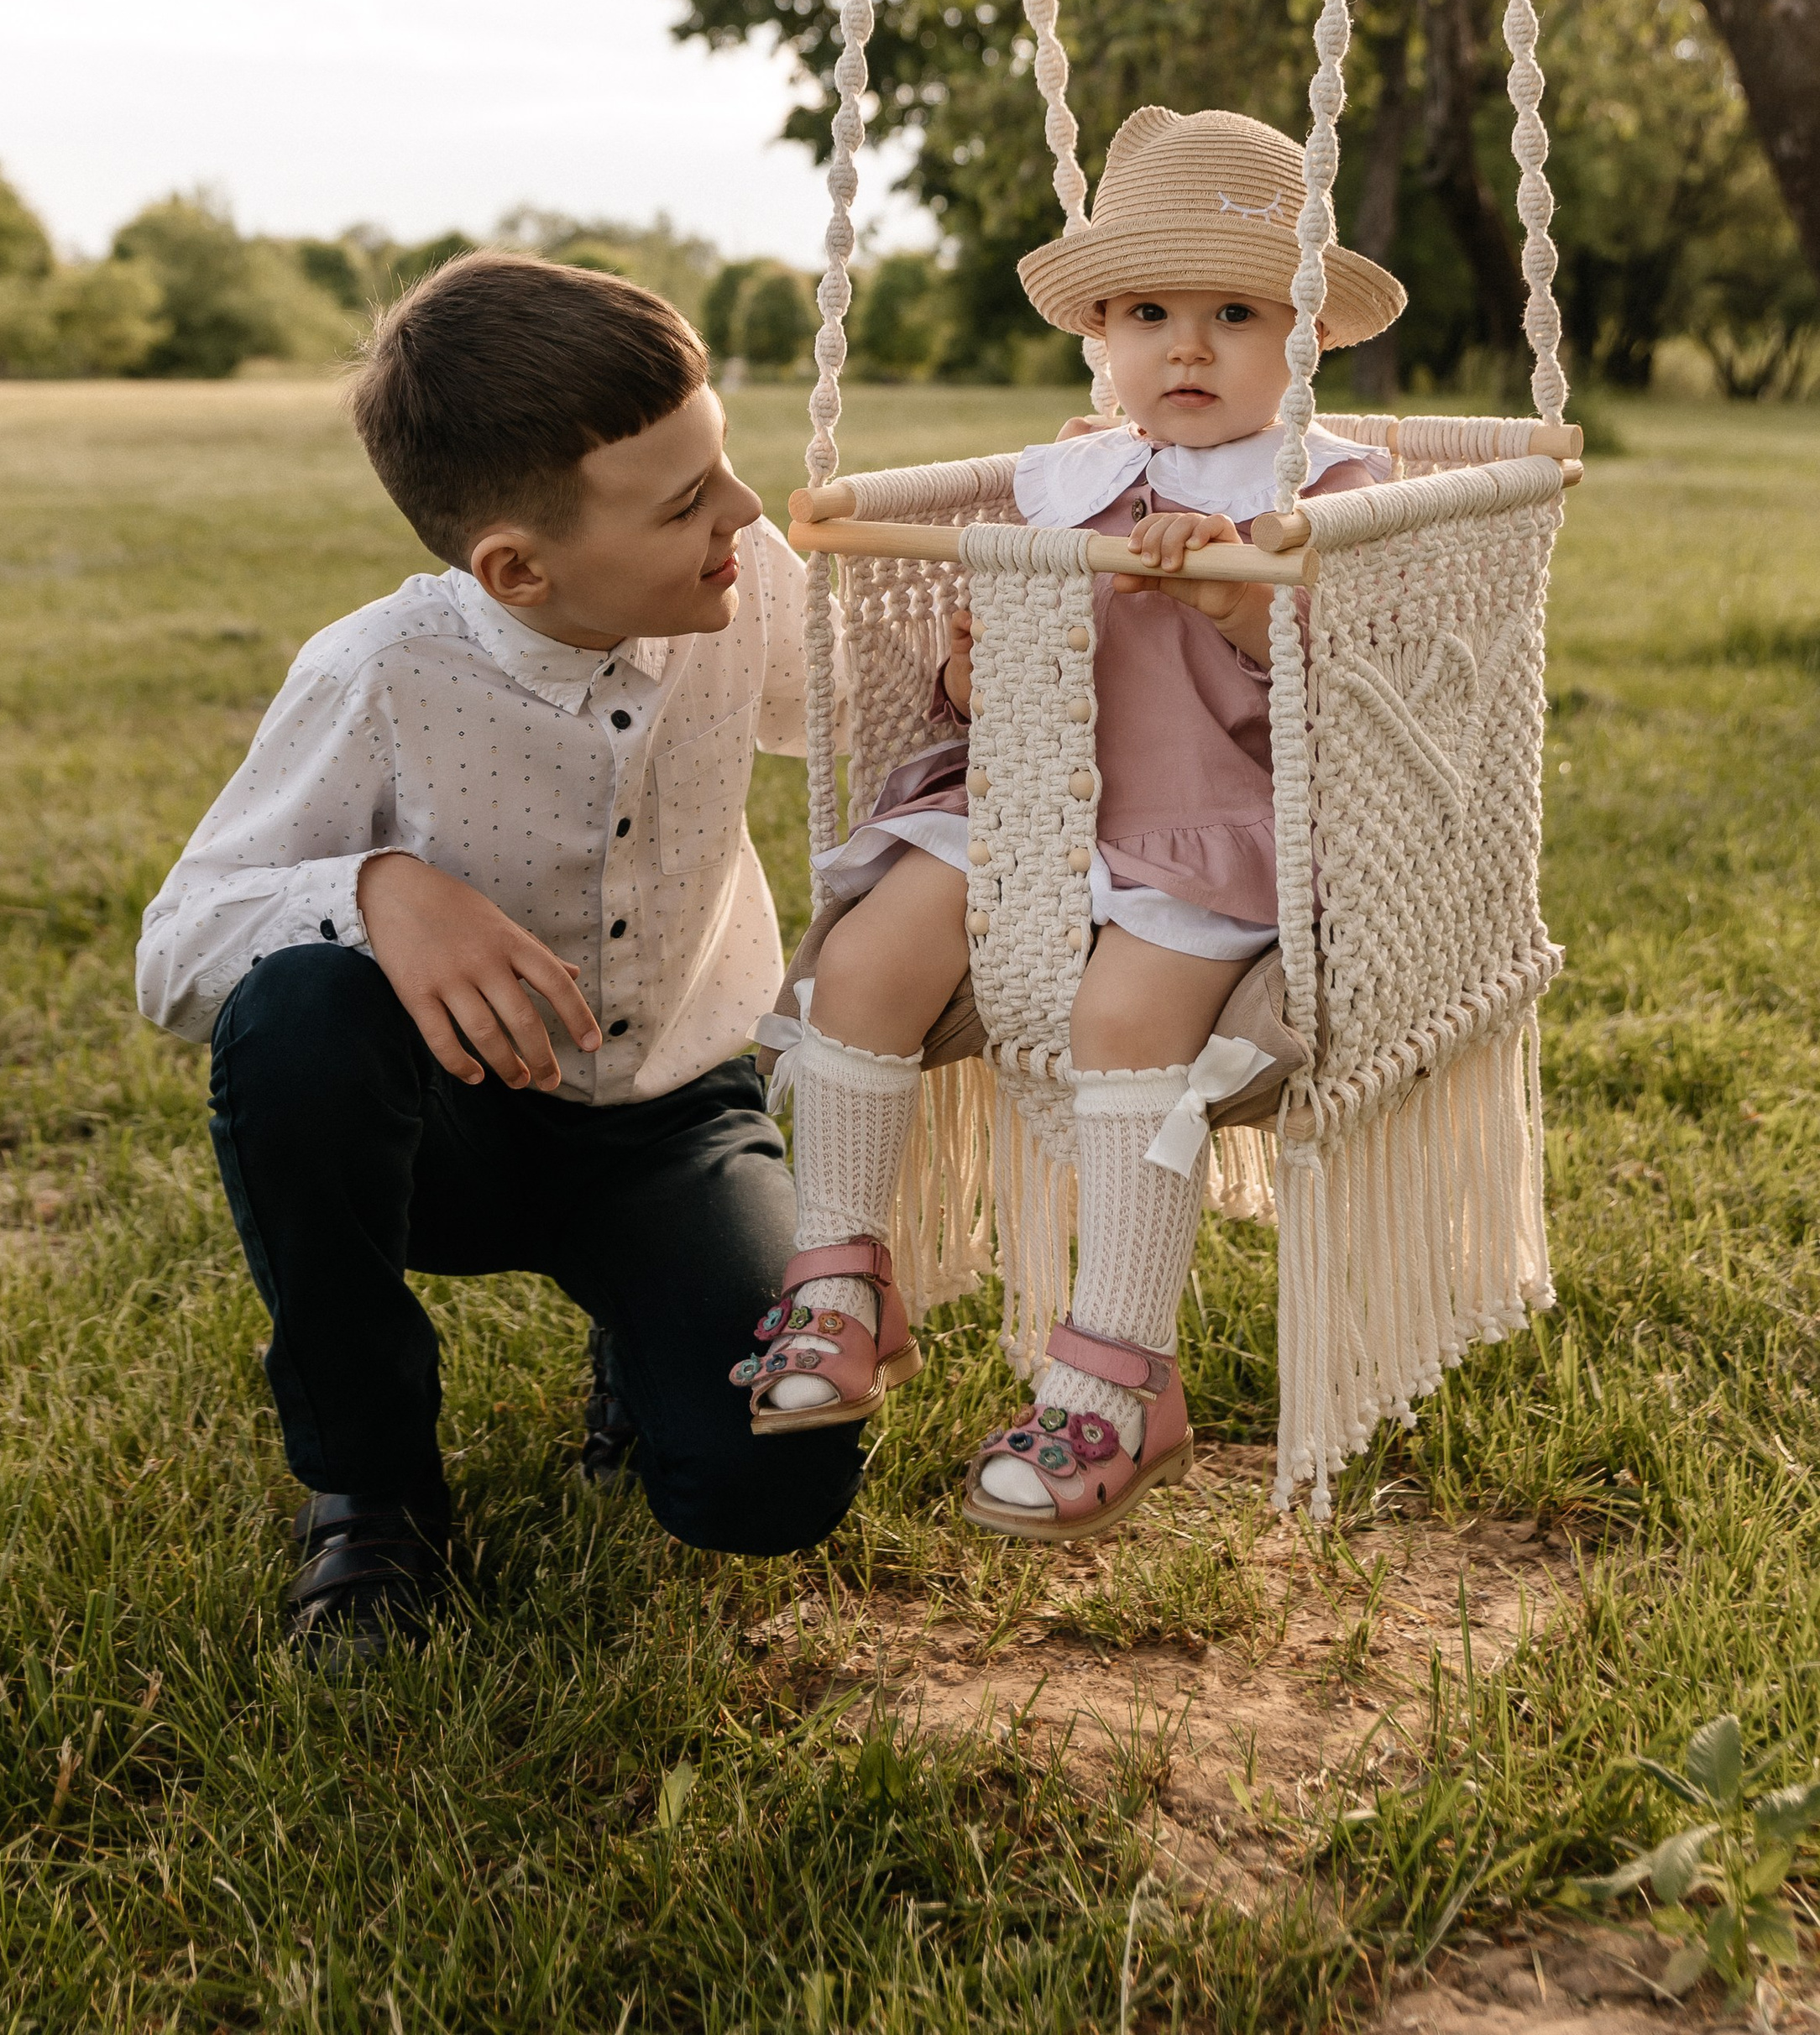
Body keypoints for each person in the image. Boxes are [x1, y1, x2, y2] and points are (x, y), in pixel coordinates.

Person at [138, 253, 860, 1653]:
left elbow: (876, 700)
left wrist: (1076, 506)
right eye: (686, 501)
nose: (745, 510)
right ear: (518, 570)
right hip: (445, 1132)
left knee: (769, 1487)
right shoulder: (380, 673)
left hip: (669, 1126)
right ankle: (372, 1492)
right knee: (296, 1016)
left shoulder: (738, 583)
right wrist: (380, 888)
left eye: (721, 462)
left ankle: (642, 1347)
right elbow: (175, 953)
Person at [731, 106, 1406, 1544]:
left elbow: (1349, 699)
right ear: (1099, 331)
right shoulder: (1066, 480)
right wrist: (978, 662)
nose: (1189, 348)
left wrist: (1234, 595)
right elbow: (991, 687)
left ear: (1310, 338)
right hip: (1028, 801)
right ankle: (844, 1282)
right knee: (861, 964)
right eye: (1150, 312)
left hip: (1207, 822)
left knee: (1123, 1021)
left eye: (1236, 313)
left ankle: (1118, 1367)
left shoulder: (1334, 494)